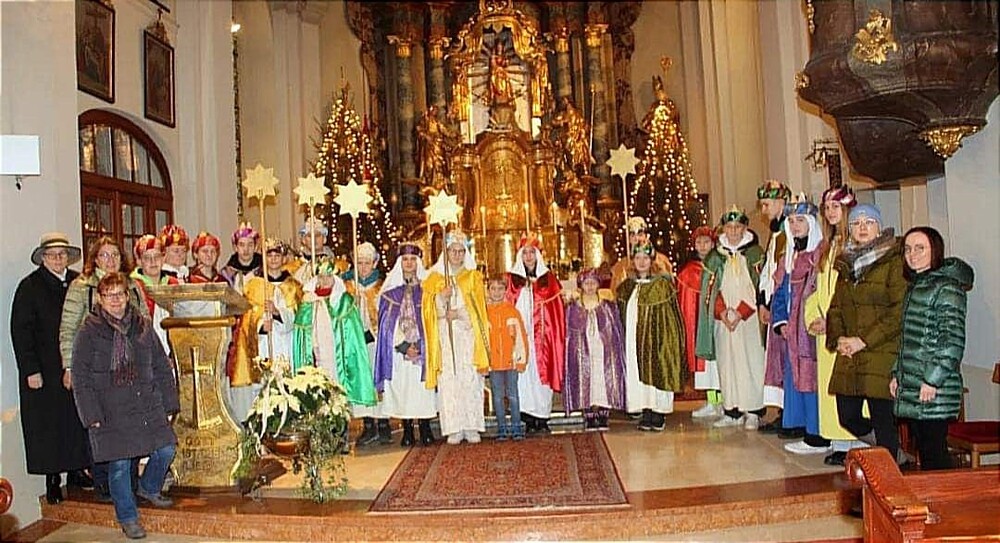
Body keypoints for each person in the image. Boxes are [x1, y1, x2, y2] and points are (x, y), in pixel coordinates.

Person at [71, 272, 179, 540]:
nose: (116, 300)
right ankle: (128, 517)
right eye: (109, 295)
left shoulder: (142, 326)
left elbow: (161, 365)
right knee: (119, 465)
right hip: (110, 409)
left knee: (166, 448)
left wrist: (169, 402)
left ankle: (149, 487)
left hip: (146, 404)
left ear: (128, 296)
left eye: (120, 294)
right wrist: (91, 415)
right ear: (100, 298)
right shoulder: (89, 331)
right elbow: (80, 377)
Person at [59, 236, 144, 501]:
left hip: (129, 368)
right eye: (104, 255)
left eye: (115, 255)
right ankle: (104, 484)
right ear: (95, 259)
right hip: (96, 368)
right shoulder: (81, 287)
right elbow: (68, 329)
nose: (110, 260)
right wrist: (69, 366)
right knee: (100, 427)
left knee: (131, 425)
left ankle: (130, 482)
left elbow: (144, 323)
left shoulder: (132, 286)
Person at [10, 233, 92, 504]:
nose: (58, 259)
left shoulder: (79, 283)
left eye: (62, 254)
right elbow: (21, 332)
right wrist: (30, 370)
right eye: (53, 254)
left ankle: (77, 471)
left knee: (76, 421)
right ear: (43, 258)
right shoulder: (29, 287)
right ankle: (53, 480)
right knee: (49, 425)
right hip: (44, 369)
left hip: (75, 364)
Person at [826, 203, 907, 465]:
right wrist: (839, 338)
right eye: (856, 223)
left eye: (868, 222)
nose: (862, 228)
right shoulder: (846, 262)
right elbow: (836, 307)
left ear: (879, 228)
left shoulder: (894, 261)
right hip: (851, 353)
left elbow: (898, 311)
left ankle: (890, 468)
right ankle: (892, 453)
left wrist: (863, 340)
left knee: (883, 417)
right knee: (847, 416)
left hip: (881, 350)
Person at [890, 227, 973, 470]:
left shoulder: (947, 288)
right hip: (914, 383)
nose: (912, 254)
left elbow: (952, 341)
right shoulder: (918, 284)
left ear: (935, 250)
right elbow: (909, 340)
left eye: (920, 248)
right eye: (908, 249)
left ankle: (943, 495)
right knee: (927, 453)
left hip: (934, 386)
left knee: (934, 455)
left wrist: (932, 379)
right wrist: (897, 373)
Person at [803, 186, 862, 466]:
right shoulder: (827, 247)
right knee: (831, 389)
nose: (830, 212)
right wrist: (812, 317)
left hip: (845, 328)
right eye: (827, 208)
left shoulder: (855, 247)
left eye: (835, 207)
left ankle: (855, 443)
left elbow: (853, 293)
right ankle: (838, 441)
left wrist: (833, 321)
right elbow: (817, 288)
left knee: (849, 389)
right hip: (825, 327)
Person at [767, 196, 829, 455]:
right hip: (792, 329)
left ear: (811, 223)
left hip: (812, 328)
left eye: (800, 221)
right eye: (791, 221)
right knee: (796, 377)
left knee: (812, 378)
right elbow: (780, 291)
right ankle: (804, 428)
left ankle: (818, 434)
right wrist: (780, 320)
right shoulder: (788, 256)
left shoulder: (820, 254)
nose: (794, 226)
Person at [696, 207, 767, 430]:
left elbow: (761, 286)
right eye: (729, 227)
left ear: (745, 228)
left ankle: (752, 410)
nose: (734, 231)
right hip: (724, 321)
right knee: (727, 365)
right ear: (723, 229)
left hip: (749, 320)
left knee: (751, 363)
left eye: (738, 227)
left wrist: (741, 312)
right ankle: (731, 410)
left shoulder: (755, 254)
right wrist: (722, 312)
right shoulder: (715, 256)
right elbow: (709, 291)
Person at [422, 231, 490, 445]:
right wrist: (441, 299)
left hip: (466, 336)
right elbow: (428, 310)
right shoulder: (435, 278)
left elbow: (479, 309)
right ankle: (453, 426)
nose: (457, 255)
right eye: (453, 251)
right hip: (445, 335)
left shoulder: (473, 277)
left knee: (469, 378)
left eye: (461, 251)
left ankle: (471, 425)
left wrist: (460, 313)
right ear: (447, 252)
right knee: (449, 380)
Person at [230, 239, 302, 421]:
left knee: (285, 384)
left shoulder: (294, 285)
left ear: (284, 258)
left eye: (278, 255)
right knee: (264, 387)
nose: (274, 259)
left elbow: (298, 316)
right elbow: (247, 317)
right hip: (263, 344)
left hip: (285, 344)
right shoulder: (254, 285)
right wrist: (261, 325)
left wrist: (278, 314)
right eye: (270, 255)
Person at [616, 242, 686, 431]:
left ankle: (658, 412)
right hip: (633, 340)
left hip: (656, 340)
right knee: (636, 373)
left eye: (645, 258)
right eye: (637, 258)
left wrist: (666, 342)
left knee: (656, 371)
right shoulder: (626, 287)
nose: (641, 262)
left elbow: (670, 318)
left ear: (652, 261)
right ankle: (645, 410)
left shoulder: (662, 286)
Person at [293, 257, 376, 412]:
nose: (325, 281)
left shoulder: (344, 301)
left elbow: (353, 333)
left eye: (328, 276)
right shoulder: (308, 301)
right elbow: (302, 333)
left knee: (338, 396)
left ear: (334, 278)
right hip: (316, 355)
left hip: (337, 356)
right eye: (321, 277)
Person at [375, 243, 438, 446]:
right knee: (403, 389)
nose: (409, 263)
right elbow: (387, 325)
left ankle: (425, 427)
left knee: (422, 389)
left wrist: (419, 344)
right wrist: (403, 345)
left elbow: (432, 320)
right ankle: (408, 429)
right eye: (405, 260)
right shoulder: (390, 293)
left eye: (412, 259)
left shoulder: (427, 290)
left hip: (422, 348)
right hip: (400, 351)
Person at [505, 233, 566, 434]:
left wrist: (554, 335)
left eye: (532, 252)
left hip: (543, 339)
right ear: (520, 256)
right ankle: (528, 417)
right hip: (520, 337)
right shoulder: (512, 281)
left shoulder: (549, 280)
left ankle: (542, 416)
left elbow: (556, 313)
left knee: (542, 378)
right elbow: (507, 307)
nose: (529, 257)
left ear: (538, 255)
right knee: (524, 377)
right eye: (525, 253)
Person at [564, 268, 626, 431]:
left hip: (603, 351)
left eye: (593, 282)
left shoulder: (607, 306)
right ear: (581, 285)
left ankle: (603, 413)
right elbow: (569, 334)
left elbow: (615, 330)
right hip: (583, 352)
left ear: (598, 284)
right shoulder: (573, 308)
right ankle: (589, 413)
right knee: (586, 380)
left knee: (602, 380)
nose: (590, 286)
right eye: (587, 283)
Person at [343, 242, 390, 448]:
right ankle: (368, 424)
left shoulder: (381, 286)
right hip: (356, 342)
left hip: (375, 342)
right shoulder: (348, 286)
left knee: (378, 380)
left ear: (374, 263)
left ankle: (384, 423)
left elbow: (386, 314)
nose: (363, 267)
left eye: (367, 263)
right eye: (360, 263)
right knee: (362, 381)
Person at [755, 179, 791, 433]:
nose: (764, 210)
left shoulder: (789, 231)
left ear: (781, 202)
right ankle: (781, 412)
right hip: (772, 303)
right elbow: (768, 269)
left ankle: (789, 414)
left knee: (785, 360)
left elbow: (782, 272)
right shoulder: (776, 232)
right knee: (776, 359)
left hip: (784, 305)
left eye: (767, 204)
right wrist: (762, 302)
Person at [486, 276, 529, 440]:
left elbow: (521, 337)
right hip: (494, 363)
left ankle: (517, 427)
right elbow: (482, 340)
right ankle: (502, 428)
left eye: (500, 289)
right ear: (488, 291)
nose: (496, 292)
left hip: (511, 362)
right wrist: (484, 361)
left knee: (513, 395)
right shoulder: (485, 313)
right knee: (497, 397)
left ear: (505, 291)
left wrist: (522, 360)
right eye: (493, 289)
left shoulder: (512, 312)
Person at [130, 235, 180, 354]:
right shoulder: (132, 286)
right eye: (147, 257)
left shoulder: (174, 284)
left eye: (157, 256)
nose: (153, 262)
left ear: (163, 258)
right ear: (138, 261)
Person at [610, 217, 673, 292]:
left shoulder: (660, 260)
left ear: (646, 236)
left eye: (640, 234)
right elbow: (614, 292)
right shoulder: (620, 267)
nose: (637, 239)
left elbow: (667, 285)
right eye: (633, 235)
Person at [221, 222, 262, 293]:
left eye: (250, 245)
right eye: (242, 245)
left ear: (255, 247)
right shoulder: (226, 274)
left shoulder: (263, 270)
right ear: (235, 247)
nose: (246, 249)